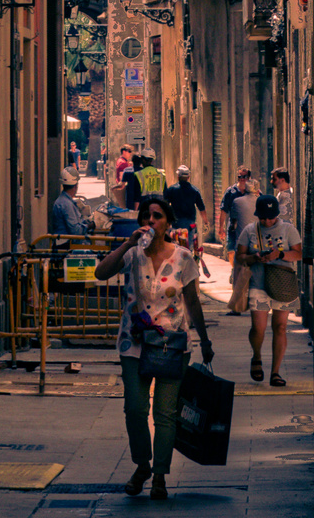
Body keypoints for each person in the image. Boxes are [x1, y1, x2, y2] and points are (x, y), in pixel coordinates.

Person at [95, 195, 214, 501]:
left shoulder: (184, 258)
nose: (151, 221)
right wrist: (126, 244)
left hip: (171, 343)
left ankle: (159, 475)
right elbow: (101, 272)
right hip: (133, 342)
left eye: (157, 216)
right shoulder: (133, 254)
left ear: (168, 222)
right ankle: (141, 464)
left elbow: (192, 301)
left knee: (165, 413)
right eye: (146, 216)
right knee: (135, 408)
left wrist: (205, 340)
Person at [236, 194, 303, 387]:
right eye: (263, 217)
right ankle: (256, 356)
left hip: (283, 284)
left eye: (271, 217)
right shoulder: (250, 230)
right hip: (258, 283)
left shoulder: (288, 229)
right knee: (259, 327)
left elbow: (298, 254)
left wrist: (279, 254)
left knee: (280, 327)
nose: (267, 221)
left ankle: (275, 372)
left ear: (277, 214)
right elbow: (240, 256)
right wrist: (255, 257)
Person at [164, 165, 208, 250]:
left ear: (178, 176)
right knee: (189, 245)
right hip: (190, 223)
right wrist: (206, 222)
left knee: (176, 245)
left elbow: (165, 205)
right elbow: (201, 208)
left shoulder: (172, 190)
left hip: (176, 223)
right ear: (188, 177)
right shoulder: (194, 190)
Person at [218, 166, 253, 263]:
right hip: (234, 226)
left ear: (249, 178)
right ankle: (235, 269)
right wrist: (221, 228)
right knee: (231, 251)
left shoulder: (253, 192)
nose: (242, 179)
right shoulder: (231, 192)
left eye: (244, 177)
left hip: (249, 227)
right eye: (239, 176)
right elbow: (223, 210)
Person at [50, 165, 90, 237]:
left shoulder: (63, 201)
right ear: (75, 186)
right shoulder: (67, 204)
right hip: (67, 244)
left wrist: (85, 222)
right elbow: (76, 231)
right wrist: (89, 226)